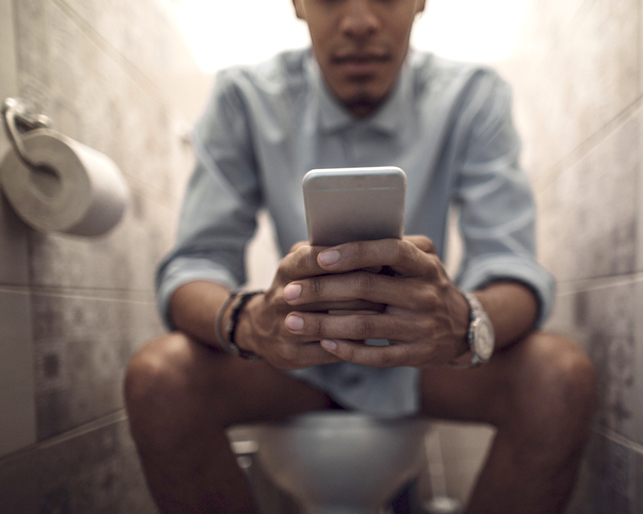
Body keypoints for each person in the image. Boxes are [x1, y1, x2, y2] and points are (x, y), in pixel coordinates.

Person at [124, 0, 597, 512]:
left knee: (560, 377)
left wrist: (459, 318)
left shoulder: (472, 96)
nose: (359, 22)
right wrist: (250, 322)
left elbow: (512, 267)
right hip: (297, 365)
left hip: (421, 362)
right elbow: (194, 265)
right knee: (158, 378)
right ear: (298, 5)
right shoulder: (244, 97)